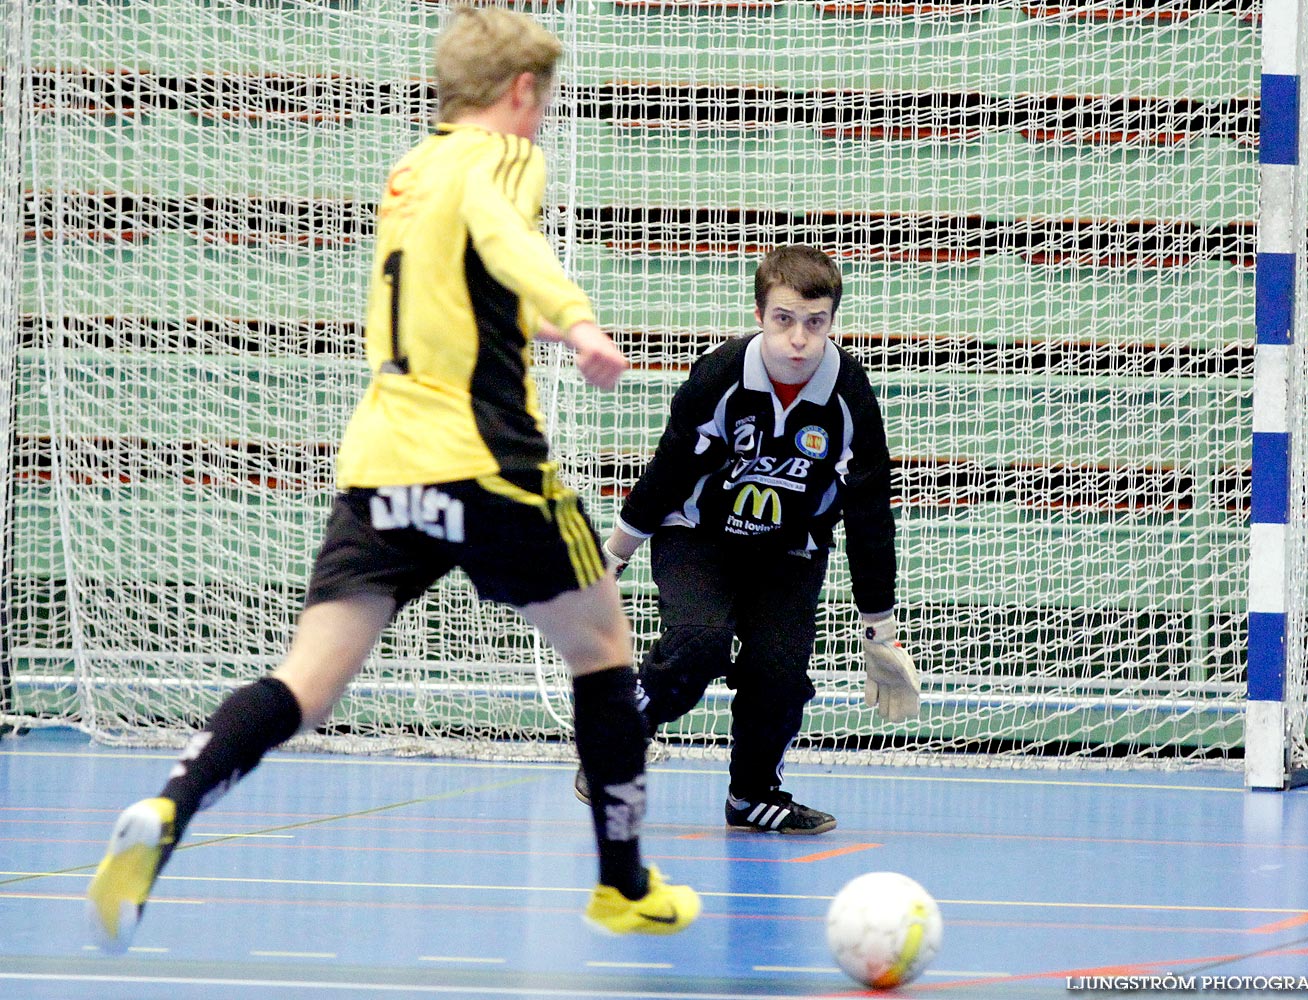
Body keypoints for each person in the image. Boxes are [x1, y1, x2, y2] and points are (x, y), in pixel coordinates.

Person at [86, 5, 699, 950]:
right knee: (604, 645)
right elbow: (505, 238)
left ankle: (170, 808)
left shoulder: (411, 172)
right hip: (486, 462)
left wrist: (522, 324)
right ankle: (622, 884)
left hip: (381, 466)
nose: (542, 120)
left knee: (308, 681)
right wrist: (576, 321)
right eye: (543, 101)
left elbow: (450, 288)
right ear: (520, 91)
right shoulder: (499, 157)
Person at [579, 245, 920, 835]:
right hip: (699, 537)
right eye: (784, 320)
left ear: (832, 323)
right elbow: (669, 470)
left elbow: (868, 511)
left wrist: (879, 628)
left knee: (779, 671)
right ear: (760, 315)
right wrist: (612, 558)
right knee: (700, 643)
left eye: (816, 324)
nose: (799, 340)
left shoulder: (850, 395)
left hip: (789, 550)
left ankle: (753, 795)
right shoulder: (720, 376)